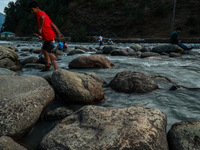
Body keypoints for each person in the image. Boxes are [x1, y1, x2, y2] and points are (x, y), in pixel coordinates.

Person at [29, 0, 63, 71]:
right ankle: (47, 65)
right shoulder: (44, 13)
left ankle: (56, 69)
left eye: (32, 10)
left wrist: (40, 28)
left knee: (50, 52)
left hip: (49, 36)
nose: (31, 12)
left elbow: (42, 18)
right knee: (44, 50)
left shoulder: (39, 13)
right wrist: (59, 33)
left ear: (37, 8)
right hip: (48, 36)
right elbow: (52, 24)